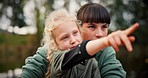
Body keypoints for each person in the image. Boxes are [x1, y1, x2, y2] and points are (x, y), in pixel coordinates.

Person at [19, 3, 139, 78]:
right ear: (79, 27)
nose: (100, 34)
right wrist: (107, 41)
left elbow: (114, 72)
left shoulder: (106, 50)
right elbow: (32, 69)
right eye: (92, 27)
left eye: (104, 27)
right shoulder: (53, 49)